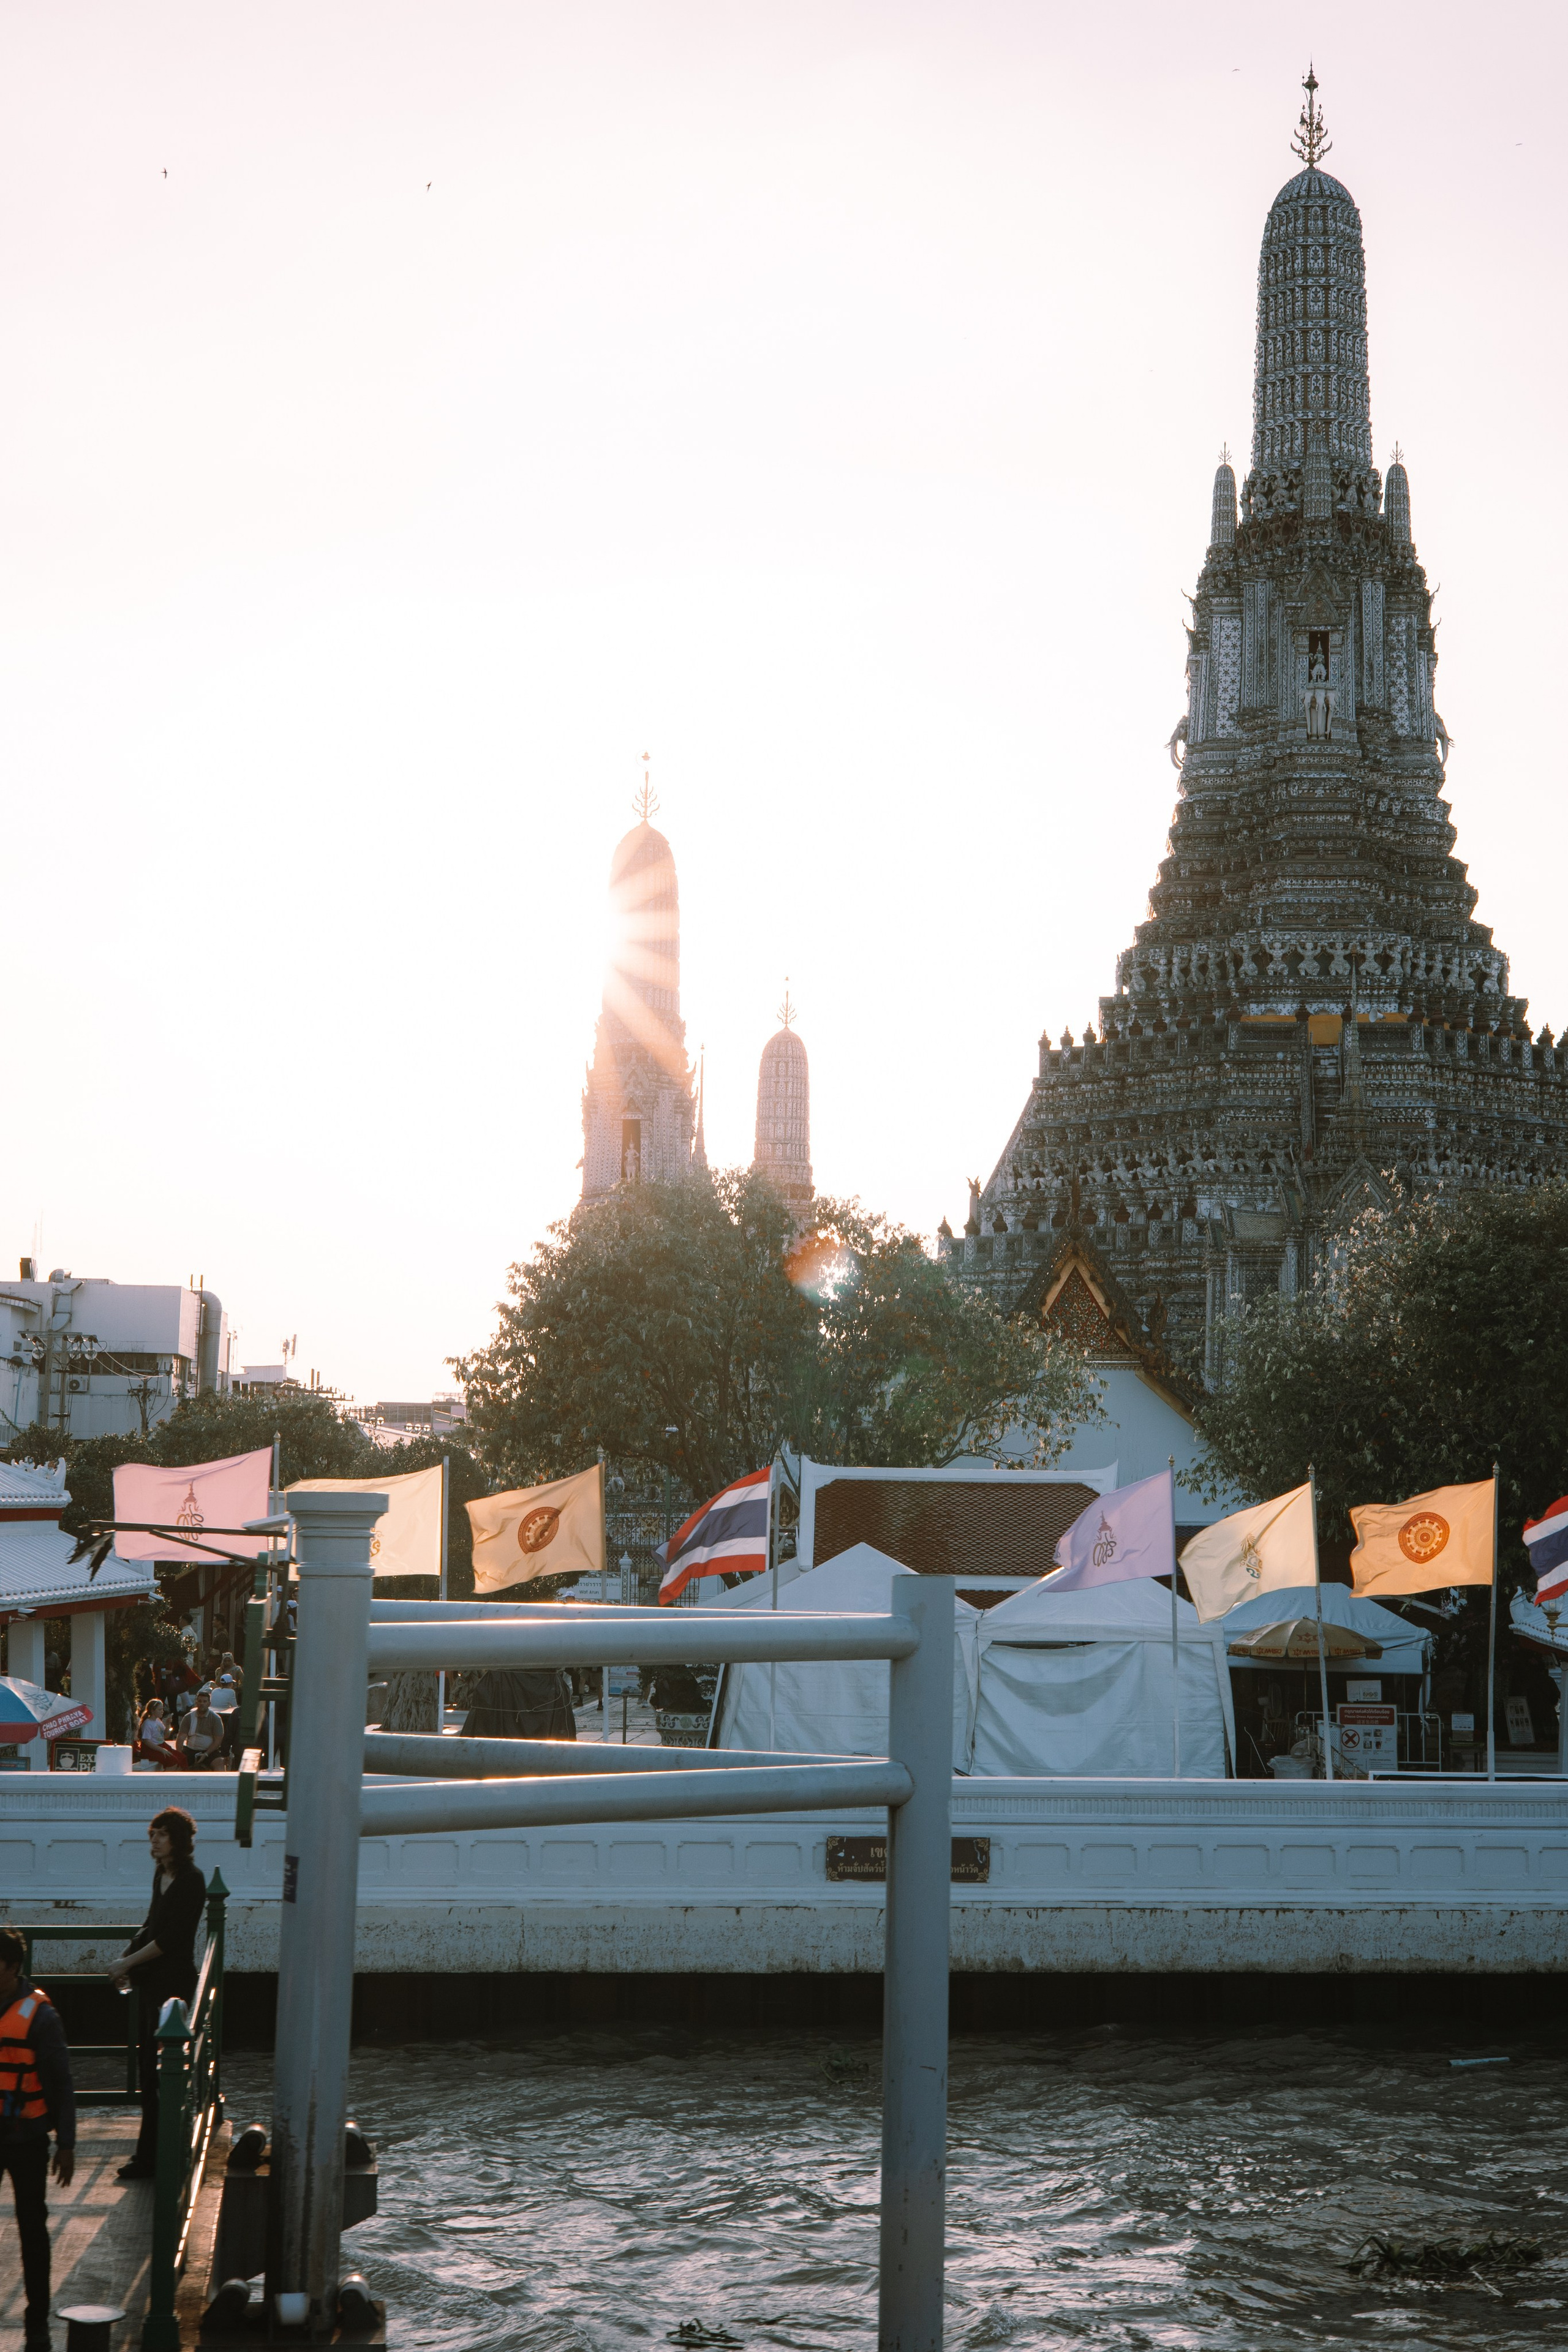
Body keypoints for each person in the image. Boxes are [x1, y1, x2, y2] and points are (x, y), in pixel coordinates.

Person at [108, 1807, 205, 2182]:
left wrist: (127, 1962)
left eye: (162, 1834)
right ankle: (151, 2155)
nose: (155, 1840)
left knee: (165, 2072)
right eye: (153, 1834)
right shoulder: (161, 1875)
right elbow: (151, 1924)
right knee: (151, 2072)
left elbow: (170, 1939)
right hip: (153, 1983)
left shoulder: (191, 1881)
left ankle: (158, 2156)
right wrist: (125, 1959)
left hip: (174, 1986)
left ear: (178, 1840)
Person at [0, 1924, 76, 2352]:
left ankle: (37, 2320)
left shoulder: (41, 2018)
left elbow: (61, 2084)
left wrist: (66, 2144)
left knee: (32, 2227)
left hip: (27, 2139)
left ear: (12, 1968)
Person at [178, 1688, 226, 1770]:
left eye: (205, 1701)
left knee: (220, 1764)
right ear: (196, 1702)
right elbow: (181, 1738)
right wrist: (179, 1755)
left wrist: (206, 1754)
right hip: (191, 1750)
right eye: (200, 1701)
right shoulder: (188, 1717)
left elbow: (218, 1741)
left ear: (209, 1704)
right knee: (177, 1765)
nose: (202, 1704)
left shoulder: (216, 1718)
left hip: (209, 1752)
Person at [135, 1699, 172, 1767]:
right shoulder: (147, 1723)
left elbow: (166, 1736)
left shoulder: (158, 1721)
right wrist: (162, 1750)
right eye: (159, 1710)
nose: (162, 1711)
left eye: (162, 1709)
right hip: (151, 1749)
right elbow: (146, 1741)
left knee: (181, 1758)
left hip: (161, 1745)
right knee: (173, 1761)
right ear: (153, 1711)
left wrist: (168, 1724)